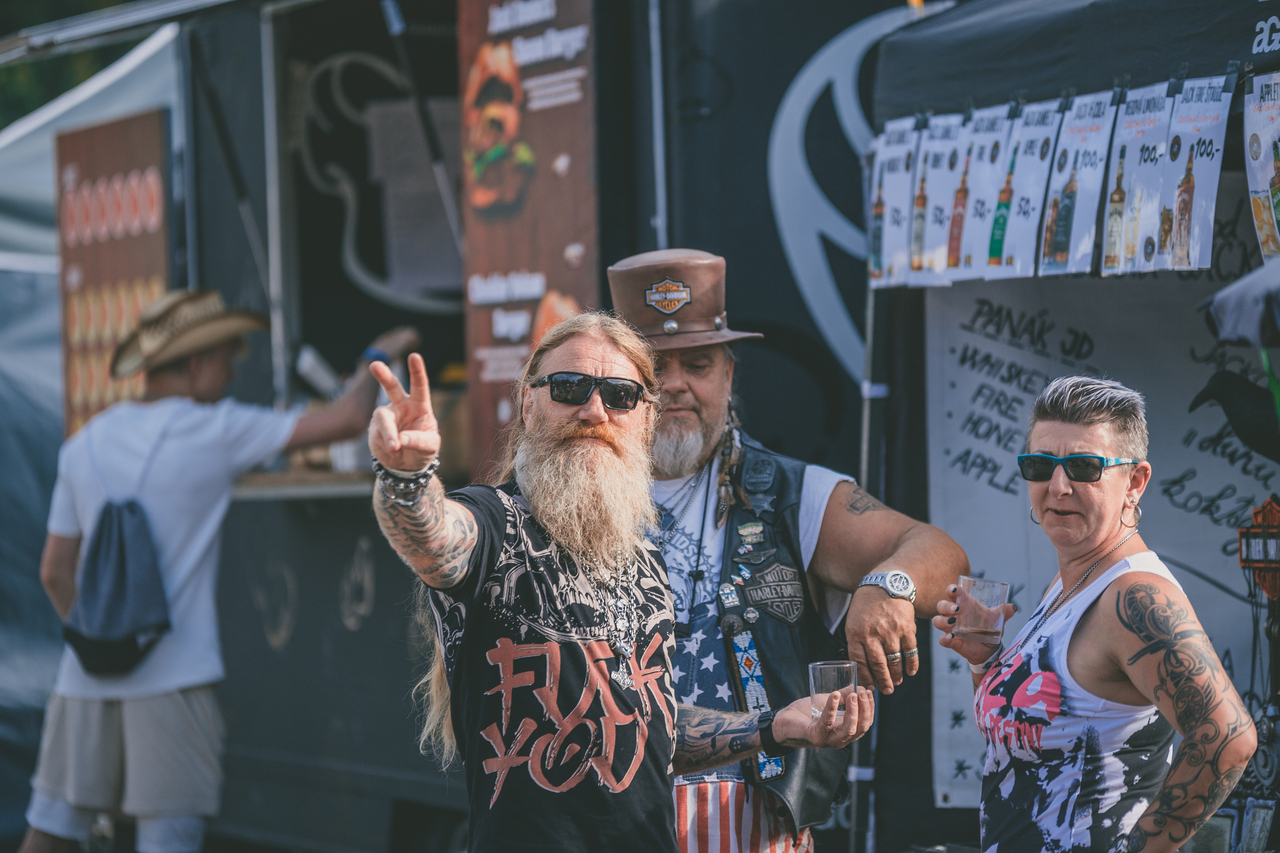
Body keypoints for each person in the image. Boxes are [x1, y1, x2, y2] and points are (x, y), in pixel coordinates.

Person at [367, 312, 874, 853]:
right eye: (569, 388)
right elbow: (434, 539)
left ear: (645, 419)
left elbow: (653, 728)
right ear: (529, 405)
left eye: (620, 396)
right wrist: (407, 479)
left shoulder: (644, 559)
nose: (594, 411)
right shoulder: (497, 523)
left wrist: (774, 727)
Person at [21, 289, 420, 853]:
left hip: (82, 679)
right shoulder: (215, 431)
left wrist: (103, 642)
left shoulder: (84, 443)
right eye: (228, 356)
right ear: (197, 362)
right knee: (167, 841)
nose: (233, 373)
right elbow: (349, 419)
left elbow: (54, 573)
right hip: (175, 680)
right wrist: (379, 352)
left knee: (51, 835)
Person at [606, 248, 968, 850]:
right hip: (606, 818)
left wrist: (890, 584)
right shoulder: (574, 499)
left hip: (753, 827)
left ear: (728, 376)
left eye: (697, 363)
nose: (674, 384)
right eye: (653, 367)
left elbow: (936, 549)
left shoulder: (791, 493)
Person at [934, 376, 1256, 852]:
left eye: (1084, 467)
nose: (1058, 487)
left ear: (1135, 482)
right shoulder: (1073, 580)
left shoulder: (1135, 596)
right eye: (1040, 465)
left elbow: (1229, 739)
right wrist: (985, 658)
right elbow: (1025, 741)